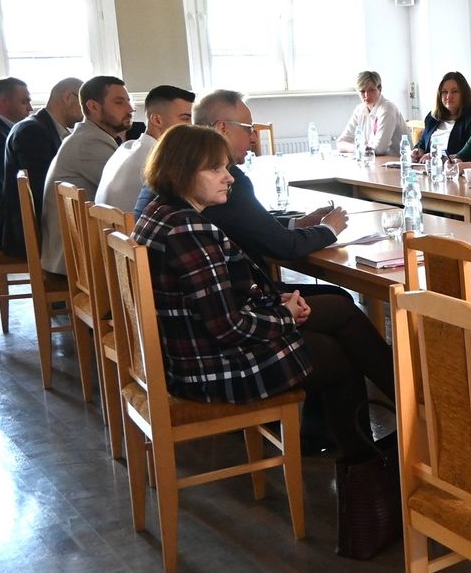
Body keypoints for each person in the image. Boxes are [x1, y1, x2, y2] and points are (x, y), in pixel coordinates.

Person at [132, 125, 393, 463]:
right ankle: (372, 458)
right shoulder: (189, 230)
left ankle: (387, 434)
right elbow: (227, 327)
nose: (229, 178)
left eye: (226, 167)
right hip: (209, 368)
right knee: (337, 354)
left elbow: (215, 298)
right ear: (181, 172)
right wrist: (285, 316)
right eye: (215, 169)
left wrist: (272, 303)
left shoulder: (161, 212)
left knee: (338, 309)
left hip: (188, 350)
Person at [149, 89, 349, 266]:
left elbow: (246, 223)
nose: (254, 138)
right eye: (248, 129)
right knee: (338, 296)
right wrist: (329, 228)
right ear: (222, 128)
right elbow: (283, 246)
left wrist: (298, 223)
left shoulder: (173, 171)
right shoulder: (218, 180)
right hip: (238, 289)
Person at [41, 76, 131, 275]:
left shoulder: (89, 136)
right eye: (119, 102)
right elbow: (129, 194)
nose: (130, 109)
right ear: (93, 106)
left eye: (128, 101)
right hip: (77, 260)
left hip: (76, 250)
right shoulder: (89, 144)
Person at [0, 77, 83, 258]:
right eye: (84, 102)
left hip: (38, 223)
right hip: (27, 233)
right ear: (68, 97)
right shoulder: (31, 132)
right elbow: (43, 191)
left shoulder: (43, 127)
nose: (87, 111)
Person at [95, 84, 195, 212]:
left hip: (108, 224)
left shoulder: (125, 147)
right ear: (157, 120)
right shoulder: (160, 161)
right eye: (185, 119)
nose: (192, 126)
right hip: (132, 225)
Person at [335, 70, 409, 156]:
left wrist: (361, 149)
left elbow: (380, 149)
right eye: (362, 91)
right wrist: (357, 148)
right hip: (374, 160)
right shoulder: (359, 110)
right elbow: (341, 142)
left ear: (380, 89)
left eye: (371, 90)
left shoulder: (387, 109)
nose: (366, 95)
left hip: (397, 161)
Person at [412, 71, 471, 161]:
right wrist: (418, 151)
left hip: (454, 168)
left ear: (464, 94)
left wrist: (438, 157)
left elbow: (469, 153)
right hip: (427, 167)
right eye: (444, 92)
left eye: (454, 91)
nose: (448, 96)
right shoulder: (432, 117)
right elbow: (422, 144)